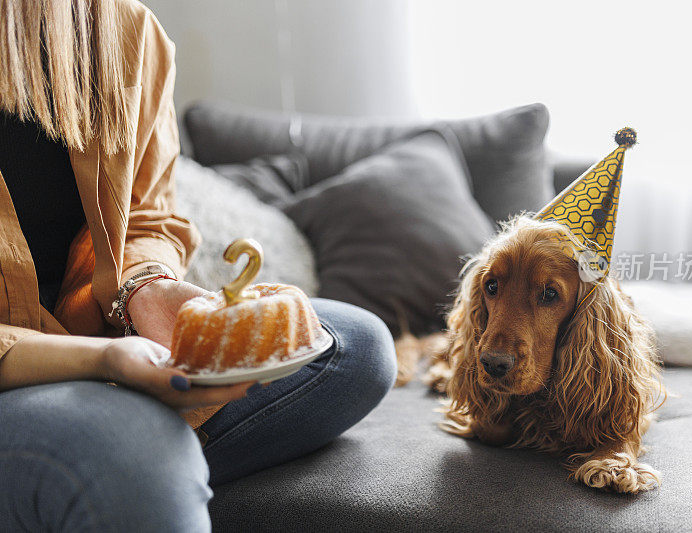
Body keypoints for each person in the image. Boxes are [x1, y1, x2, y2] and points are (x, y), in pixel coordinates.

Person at [0, 1, 397, 531]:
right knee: (132, 450)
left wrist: (145, 289)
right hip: (31, 376)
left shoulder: (121, 30)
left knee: (354, 348)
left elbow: (146, 214)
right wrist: (97, 363)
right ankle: (124, 463)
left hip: (98, 357)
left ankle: (109, 479)